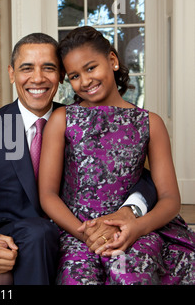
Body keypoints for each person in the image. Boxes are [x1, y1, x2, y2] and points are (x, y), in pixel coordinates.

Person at [0, 33, 158, 285]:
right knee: (38, 232)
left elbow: (137, 173)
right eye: (27, 69)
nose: (38, 78)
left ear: (61, 76)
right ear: (12, 74)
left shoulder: (81, 119)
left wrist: (131, 209)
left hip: (83, 233)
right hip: (22, 240)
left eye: (49, 68)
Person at [39, 26, 195, 285]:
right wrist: (87, 234)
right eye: (75, 76)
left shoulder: (150, 123)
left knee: (131, 272)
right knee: (78, 277)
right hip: (78, 231)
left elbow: (170, 199)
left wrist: (136, 228)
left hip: (134, 230)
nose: (85, 81)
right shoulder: (62, 120)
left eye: (91, 68)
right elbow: (47, 195)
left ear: (112, 60)